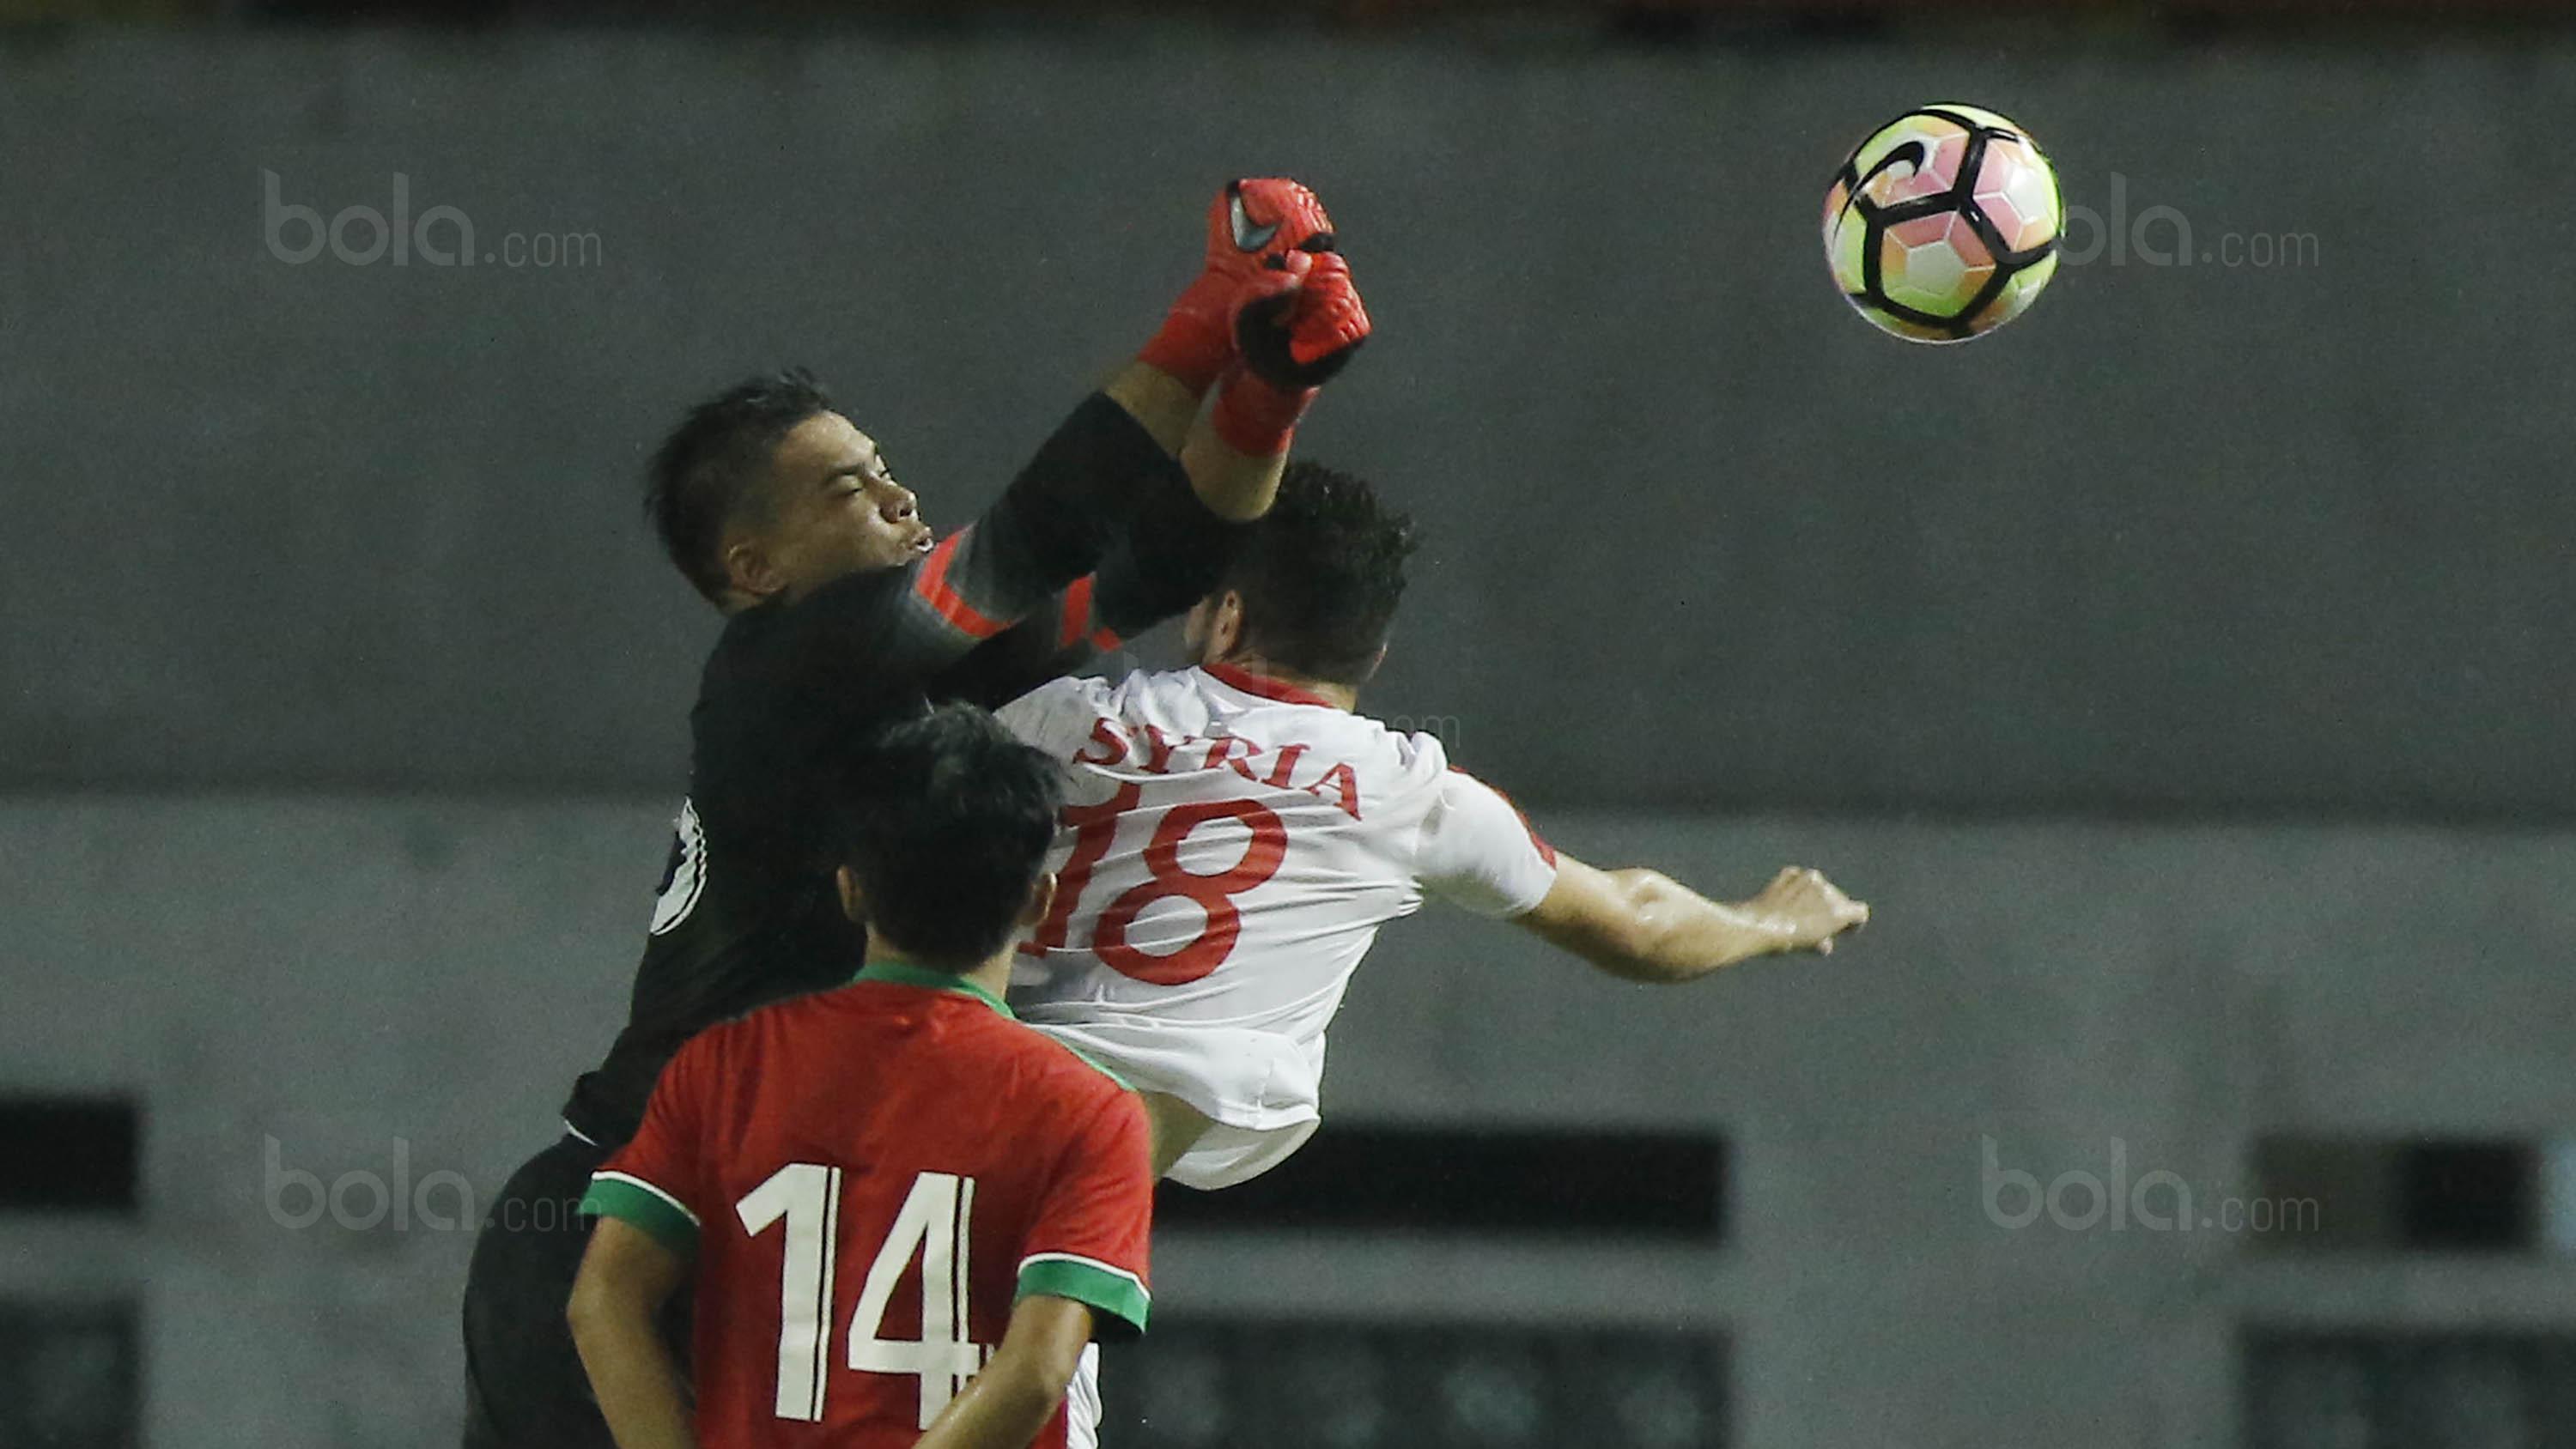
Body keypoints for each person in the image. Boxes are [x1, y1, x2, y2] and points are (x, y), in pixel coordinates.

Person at [462, 179, 1369, 1447]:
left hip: (756, 1232)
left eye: (887, 471)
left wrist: (1271, 388)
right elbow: (1032, 533)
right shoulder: (783, 670)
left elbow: (1162, 559)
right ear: (754, 570)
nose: (897, 499)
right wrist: (1208, 319)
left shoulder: (913, 671)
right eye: (847, 489)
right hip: (625, 1229)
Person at [995, 462, 1871, 1187]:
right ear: (1373, 655)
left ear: (1225, 617)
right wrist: (1771, 922)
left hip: (974, 1086)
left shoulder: (1062, 716)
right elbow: (1638, 923)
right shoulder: (1411, 794)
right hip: (1098, 1157)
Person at [568, 705, 1153, 1449]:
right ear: (1040, 900)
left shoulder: (726, 1066)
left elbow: (604, 1299)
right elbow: (1038, 1370)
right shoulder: (1091, 1110)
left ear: (851, 890)